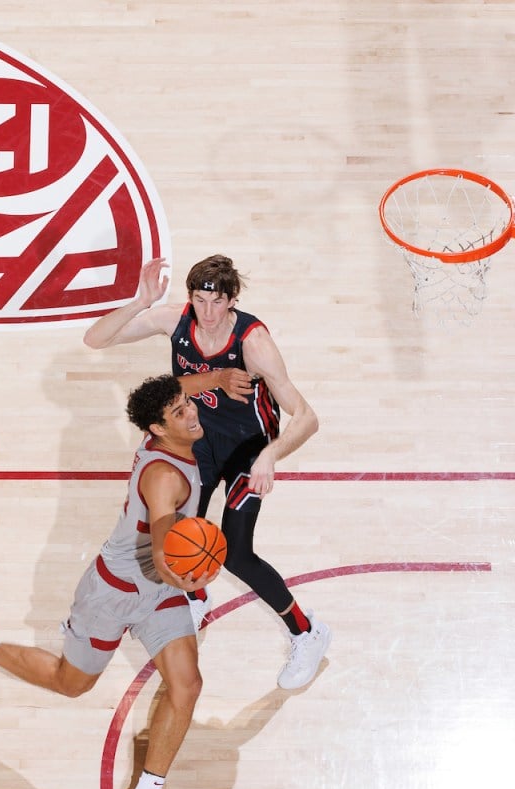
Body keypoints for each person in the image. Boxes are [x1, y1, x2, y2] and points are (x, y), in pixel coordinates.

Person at [0, 374, 217, 789]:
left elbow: (183, 386)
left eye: (187, 405)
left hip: (156, 594)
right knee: (71, 684)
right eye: (179, 412)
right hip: (112, 595)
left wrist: (218, 379)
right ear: (156, 428)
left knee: (187, 685)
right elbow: (163, 553)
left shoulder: (171, 435)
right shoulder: (165, 477)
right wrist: (193, 578)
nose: (191, 413)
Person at [83, 254, 331, 690]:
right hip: (199, 442)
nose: (208, 312)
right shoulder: (176, 322)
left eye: (217, 302)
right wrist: (139, 300)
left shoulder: (253, 342)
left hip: (247, 451)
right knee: (175, 528)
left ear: (232, 300)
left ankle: (306, 631)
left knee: (236, 553)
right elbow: (95, 339)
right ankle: (197, 595)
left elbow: (307, 416)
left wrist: (271, 455)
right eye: (200, 300)